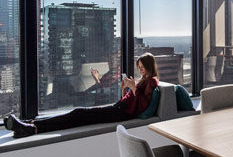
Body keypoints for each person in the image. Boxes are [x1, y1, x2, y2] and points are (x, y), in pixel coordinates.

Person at [4, 54, 160, 138]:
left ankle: (33, 128)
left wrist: (133, 89)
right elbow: (131, 98)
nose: (140, 71)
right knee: (78, 114)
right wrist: (125, 88)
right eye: (139, 68)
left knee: (78, 113)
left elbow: (143, 104)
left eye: (142, 68)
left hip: (122, 113)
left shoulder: (152, 81)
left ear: (149, 66)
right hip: (119, 108)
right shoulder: (143, 80)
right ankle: (30, 123)